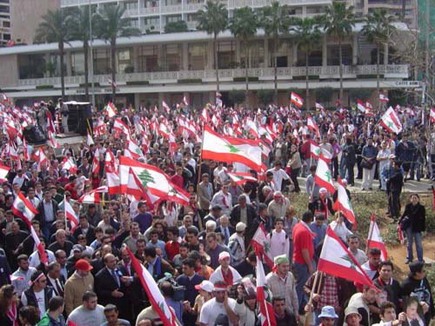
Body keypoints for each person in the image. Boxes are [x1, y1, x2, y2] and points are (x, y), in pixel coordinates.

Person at [292, 210, 315, 310]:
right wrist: (310, 265)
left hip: (298, 259)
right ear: (310, 219)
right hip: (302, 262)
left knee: (300, 284)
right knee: (302, 285)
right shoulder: (304, 231)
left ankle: (300, 303)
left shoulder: (297, 226)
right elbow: (304, 250)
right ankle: (298, 306)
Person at [399, 194, 426, 264]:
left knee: (419, 244)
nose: (414, 199)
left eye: (415, 198)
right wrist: (399, 223)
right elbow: (404, 215)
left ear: (418, 199)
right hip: (409, 227)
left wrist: (422, 228)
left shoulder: (421, 208)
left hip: (417, 228)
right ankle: (409, 258)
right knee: (409, 243)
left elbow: (423, 219)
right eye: (412, 198)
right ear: (410, 199)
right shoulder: (408, 206)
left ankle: (420, 259)